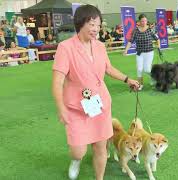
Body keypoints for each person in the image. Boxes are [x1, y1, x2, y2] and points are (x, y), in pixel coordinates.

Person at [51, 5, 140, 180]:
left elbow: (108, 68)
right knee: (78, 151)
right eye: (92, 24)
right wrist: (60, 107)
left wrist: (127, 79)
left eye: (98, 25)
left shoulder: (99, 46)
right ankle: (76, 160)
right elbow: (57, 82)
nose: (96, 29)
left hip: (100, 106)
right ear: (80, 23)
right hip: (76, 108)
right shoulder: (65, 47)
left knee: (101, 147)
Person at [123, 14, 160, 91]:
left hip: (149, 52)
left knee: (147, 70)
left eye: (145, 21)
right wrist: (126, 50)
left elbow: (157, 39)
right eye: (142, 21)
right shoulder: (135, 31)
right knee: (139, 69)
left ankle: (154, 78)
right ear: (139, 22)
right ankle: (140, 84)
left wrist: (158, 46)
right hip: (139, 53)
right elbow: (130, 41)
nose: (144, 22)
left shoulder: (150, 29)